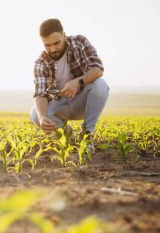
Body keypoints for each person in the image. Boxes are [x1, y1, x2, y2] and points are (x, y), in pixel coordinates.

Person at [30, 18, 109, 152]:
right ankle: (68, 136)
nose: (52, 49)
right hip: (60, 104)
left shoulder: (79, 42)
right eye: (47, 45)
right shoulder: (40, 62)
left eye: (56, 43)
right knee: (36, 114)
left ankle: (87, 135)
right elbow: (40, 93)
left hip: (82, 101)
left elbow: (97, 69)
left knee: (100, 85)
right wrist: (43, 117)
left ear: (64, 36)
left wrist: (77, 82)